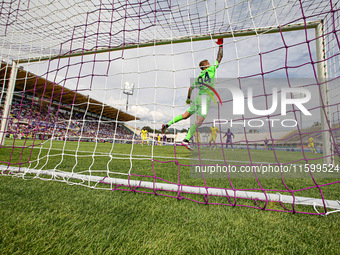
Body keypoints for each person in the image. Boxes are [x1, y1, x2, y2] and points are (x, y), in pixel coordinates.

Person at [161, 38, 224, 150]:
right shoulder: (211, 70)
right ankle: (186, 140)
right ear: (206, 66)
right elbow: (219, 58)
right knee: (198, 122)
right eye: (208, 64)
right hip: (205, 100)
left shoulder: (198, 77)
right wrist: (220, 45)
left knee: (185, 115)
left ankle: (167, 124)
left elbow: (190, 88)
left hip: (197, 99)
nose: (210, 64)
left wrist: (188, 98)